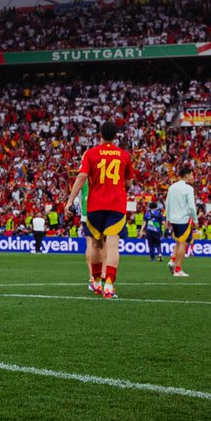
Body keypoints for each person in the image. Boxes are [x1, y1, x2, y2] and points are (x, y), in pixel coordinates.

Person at [63, 120, 135, 299]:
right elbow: (129, 183)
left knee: (95, 243)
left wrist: (70, 201)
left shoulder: (91, 153)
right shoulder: (123, 155)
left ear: (100, 134)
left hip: (94, 205)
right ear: (116, 136)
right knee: (112, 244)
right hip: (116, 205)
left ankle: (95, 282)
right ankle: (109, 284)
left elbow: (81, 177)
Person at [164, 166, 198, 278]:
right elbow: (192, 207)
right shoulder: (188, 189)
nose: (193, 177)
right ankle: (178, 269)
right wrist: (195, 219)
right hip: (183, 219)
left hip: (173, 219)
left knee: (179, 241)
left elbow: (167, 204)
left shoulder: (172, 187)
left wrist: (168, 219)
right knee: (184, 243)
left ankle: (173, 261)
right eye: (192, 174)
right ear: (187, 175)